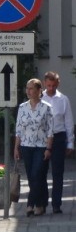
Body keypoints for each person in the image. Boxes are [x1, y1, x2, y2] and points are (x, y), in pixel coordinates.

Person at [14, 78, 54, 217]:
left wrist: (48, 149)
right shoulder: (22, 107)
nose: (28, 91)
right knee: (33, 177)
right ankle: (41, 203)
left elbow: (50, 130)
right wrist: (16, 147)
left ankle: (31, 204)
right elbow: (18, 129)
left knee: (37, 173)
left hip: (41, 146)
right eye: (27, 88)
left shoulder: (46, 107)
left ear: (39, 91)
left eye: (31, 88)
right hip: (26, 145)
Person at [42, 71, 74, 214]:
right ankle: (41, 203)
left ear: (58, 84)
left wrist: (70, 143)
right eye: (49, 85)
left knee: (57, 173)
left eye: (54, 85)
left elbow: (68, 122)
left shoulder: (63, 99)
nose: (51, 88)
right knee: (40, 172)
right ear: (44, 83)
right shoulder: (39, 97)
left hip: (59, 137)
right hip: (42, 139)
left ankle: (56, 204)